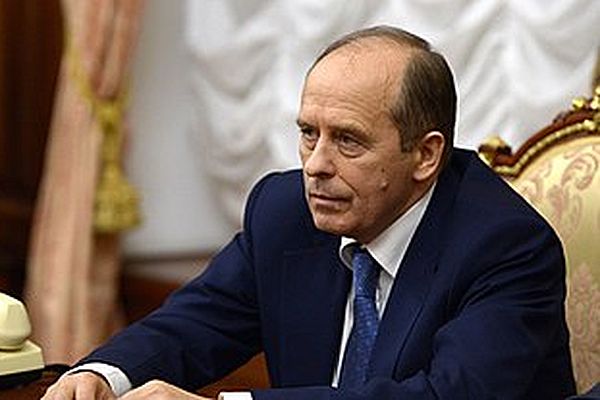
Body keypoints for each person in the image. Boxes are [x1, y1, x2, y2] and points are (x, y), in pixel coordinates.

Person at [42, 25, 576, 400]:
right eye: (307, 133)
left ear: (425, 155)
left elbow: (446, 397)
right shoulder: (285, 210)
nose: (316, 165)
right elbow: (194, 324)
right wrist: (104, 374)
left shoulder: (505, 246)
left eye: (348, 140)